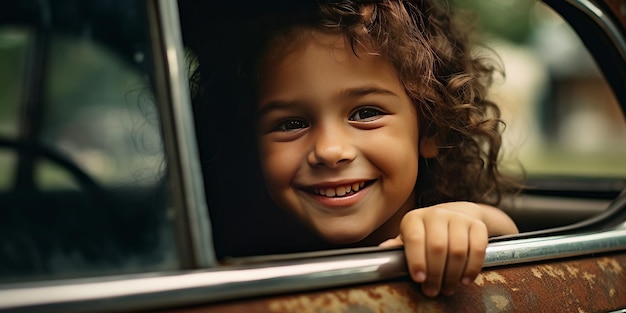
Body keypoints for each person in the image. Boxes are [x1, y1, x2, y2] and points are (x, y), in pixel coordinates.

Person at [185, 0, 520, 298]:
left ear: (430, 127)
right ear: (251, 145)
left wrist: (464, 219)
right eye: (291, 124)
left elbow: (500, 231)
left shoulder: (444, 229)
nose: (330, 151)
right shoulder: (238, 259)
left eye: (366, 114)